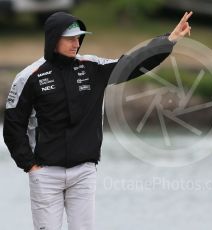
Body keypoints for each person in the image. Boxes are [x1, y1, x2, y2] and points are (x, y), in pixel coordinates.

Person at [3, 11, 192, 230]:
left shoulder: (92, 67)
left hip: (84, 172)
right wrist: (30, 165)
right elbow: (13, 126)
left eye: (79, 38)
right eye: (70, 38)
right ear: (54, 39)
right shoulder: (29, 76)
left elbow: (132, 64)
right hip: (45, 174)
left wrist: (168, 41)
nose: (77, 43)